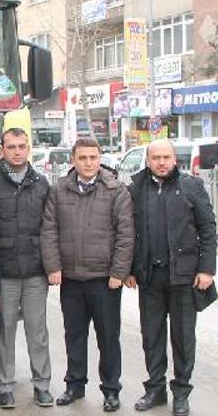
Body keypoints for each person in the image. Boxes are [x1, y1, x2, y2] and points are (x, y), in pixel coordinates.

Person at [41, 138, 134, 413]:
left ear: (100, 158)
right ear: (73, 160)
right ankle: (75, 384)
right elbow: (49, 231)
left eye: (93, 157)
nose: (88, 163)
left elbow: (126, 235)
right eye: (82, 158)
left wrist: (119, 271)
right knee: (74, 335)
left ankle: (111, 389)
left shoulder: (116, 190)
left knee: (108, 337)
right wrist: (53, 267)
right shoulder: (59, 190)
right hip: (70, 279)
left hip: (105, 280)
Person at [125, 139, 217, 416]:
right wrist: (130, 269)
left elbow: (208, 229)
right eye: (156, 157)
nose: (161, 162)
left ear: (175, 159)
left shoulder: (191, 187)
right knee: (151, 336)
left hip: (184, 277)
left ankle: (181, 393)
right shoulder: (136, 188)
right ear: (148, 160)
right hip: (150, 278)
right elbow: (129, 233)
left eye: (166, 157)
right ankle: (155, 389)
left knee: (183, 338)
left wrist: (206, 269)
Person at [0, 127, 53, 409]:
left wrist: (52, 266)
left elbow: (50, 230)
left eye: (22, 146)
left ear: (28, 147)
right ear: (2, 150)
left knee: (37, 332)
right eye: (12, 147)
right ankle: (5, 387)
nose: (17, 152)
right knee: (3, 332)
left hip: (34, 273)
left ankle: (42, 385)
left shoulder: (42, 184)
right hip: (2, 274)